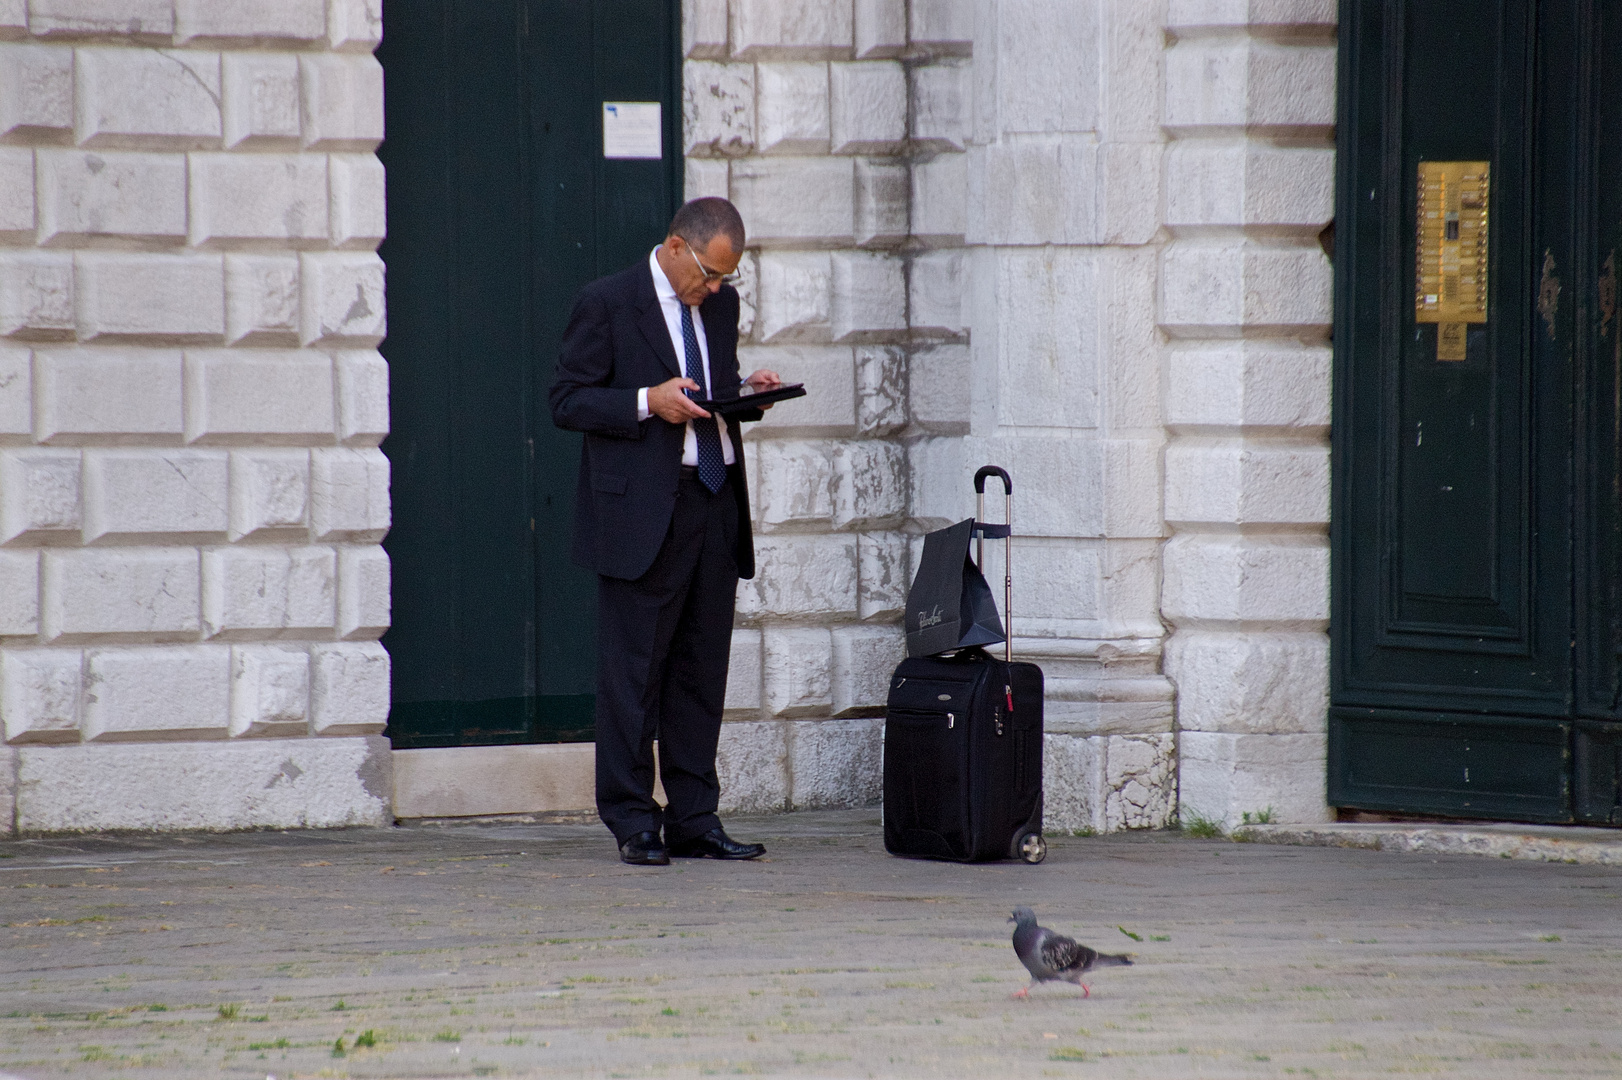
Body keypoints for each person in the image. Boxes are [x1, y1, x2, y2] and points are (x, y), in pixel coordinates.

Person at [549, 198, 781, 866]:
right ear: (677, 246)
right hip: (643, 511)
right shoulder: (608, 301)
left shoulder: (720, 306)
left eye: (723, 280)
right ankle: (631, 818)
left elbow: (715, 393)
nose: (712, 289)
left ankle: (695, 818)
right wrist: (647, 401)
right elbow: (566, 400)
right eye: (706, 274)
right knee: (633, 674)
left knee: (700, 670)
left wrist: (751, 397)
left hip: (714, 501)